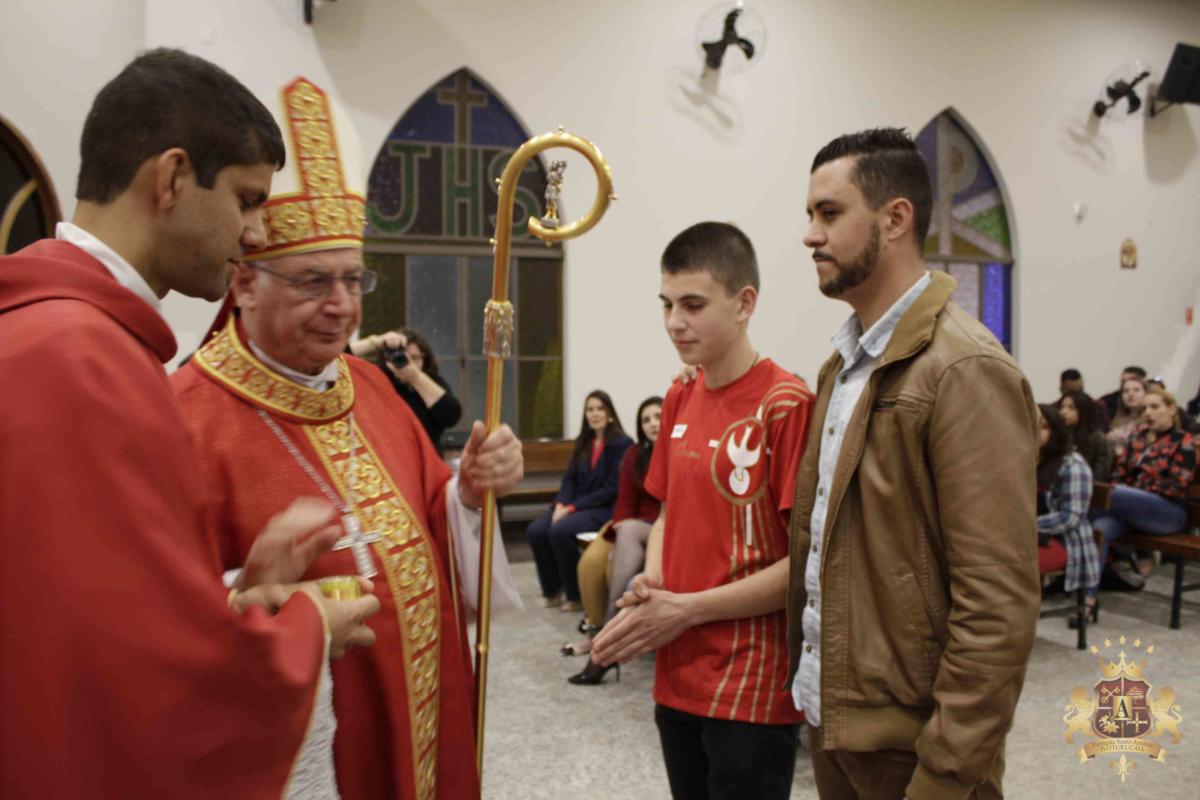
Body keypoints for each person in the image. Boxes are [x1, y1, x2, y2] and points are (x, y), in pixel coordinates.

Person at [0, 50, 381, 798]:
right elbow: (138, 685)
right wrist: (303, 632)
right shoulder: (80, 361)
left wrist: (235, 598)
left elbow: (78, 616)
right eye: (246, 199)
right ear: (171, 178)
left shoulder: (57, 335)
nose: (255, 233)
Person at [171, 76, 523, 800]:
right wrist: (251, 595)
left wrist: (467, 492)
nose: (341, 307)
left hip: (423, 716)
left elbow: (432, 520)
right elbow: (152, 626)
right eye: (312, 283)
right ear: (244, 284)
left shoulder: (373, 388)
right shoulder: (181, 421)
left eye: (353, 280)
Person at [785, 128, 1039, 799]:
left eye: (829, 213)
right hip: (837, 720)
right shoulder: (842, 366)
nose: (810, 235)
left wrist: (946, 771)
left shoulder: (963, 368)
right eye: (810, 214)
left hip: (915, 747)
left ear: (894, 218)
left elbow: (997, 605)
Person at [593, 222, 814, 800]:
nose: (673, 322)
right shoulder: (679, 395)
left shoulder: (785, 406)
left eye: (692, 305)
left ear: (744, 304)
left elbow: (804, 566)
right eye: (666, 304)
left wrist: (685, 610)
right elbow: (668, 514)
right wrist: (653, 584)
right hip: (677, 673)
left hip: (750, 683)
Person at [567, 394, 664, 684]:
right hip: (631, 524)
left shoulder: (679, 451)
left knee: (627, 538)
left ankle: (602, 645)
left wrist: (627, 529)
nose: (653, 424)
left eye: (658, 417)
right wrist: (621, 528)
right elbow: (624, 500)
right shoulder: (635, 454)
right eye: (646, 420)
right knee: (590, 564)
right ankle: (600, 635)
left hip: (665, 527)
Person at [527, 390, 632, 612]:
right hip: (574, 505)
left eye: (600, 409)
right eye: (590, 409)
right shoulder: (583, 442)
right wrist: (561, 504)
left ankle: (575, 595)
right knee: (536, 531)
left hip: (602, 508)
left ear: (610, 414)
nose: (595, 414)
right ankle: (553, 590)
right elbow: (570, 479)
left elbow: (611, 488)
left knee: (559, 531)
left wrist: (572, 508)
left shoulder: (623, 444)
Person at [1090, 388, 1196, 595]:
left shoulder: (1184, 441)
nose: (1148, 413)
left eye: (1154, 407)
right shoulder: (1137, 438)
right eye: (1145, 408)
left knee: (1107, 494)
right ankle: (1087, 600)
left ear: (1171, 409)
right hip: (1130, 509)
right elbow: (1119, 474)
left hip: (1167, 513)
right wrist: (1130, 491)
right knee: (1099, 528)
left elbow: (1176, 486)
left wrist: (1134, 491)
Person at [1034, 404, 1099, 624]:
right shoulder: (1027, 460)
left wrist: (1024, 526)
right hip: (1027, 535)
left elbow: (1071, 516)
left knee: (1009, 565)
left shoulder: (1072, 465)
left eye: (1043, 427)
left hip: (1064, 540)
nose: (1036, 432)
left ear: (1056, 432)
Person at [352, 327, 462, 453]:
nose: (408, 363)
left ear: (424, 359)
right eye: (401, 357)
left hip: (425, 458)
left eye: (414, 358)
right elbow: (339, 357)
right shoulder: (377, 382)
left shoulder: (432, 383)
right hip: (387, 458)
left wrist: (415, 377)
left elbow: (451, 416)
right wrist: (377, 342)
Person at [1059, 390, 1112, 480]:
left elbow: (1101, 474)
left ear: (1083, 411)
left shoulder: (1098, 439)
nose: (1063, 412)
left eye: (1071, 408)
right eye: (1062, 407)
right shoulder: (1060, 436)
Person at [1106, 375, 1147, 458]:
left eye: (1136, 390)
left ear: (1147, 394)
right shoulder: (1118, 419)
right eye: (1126, 391)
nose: (1130, 394)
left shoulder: (1150, 421)